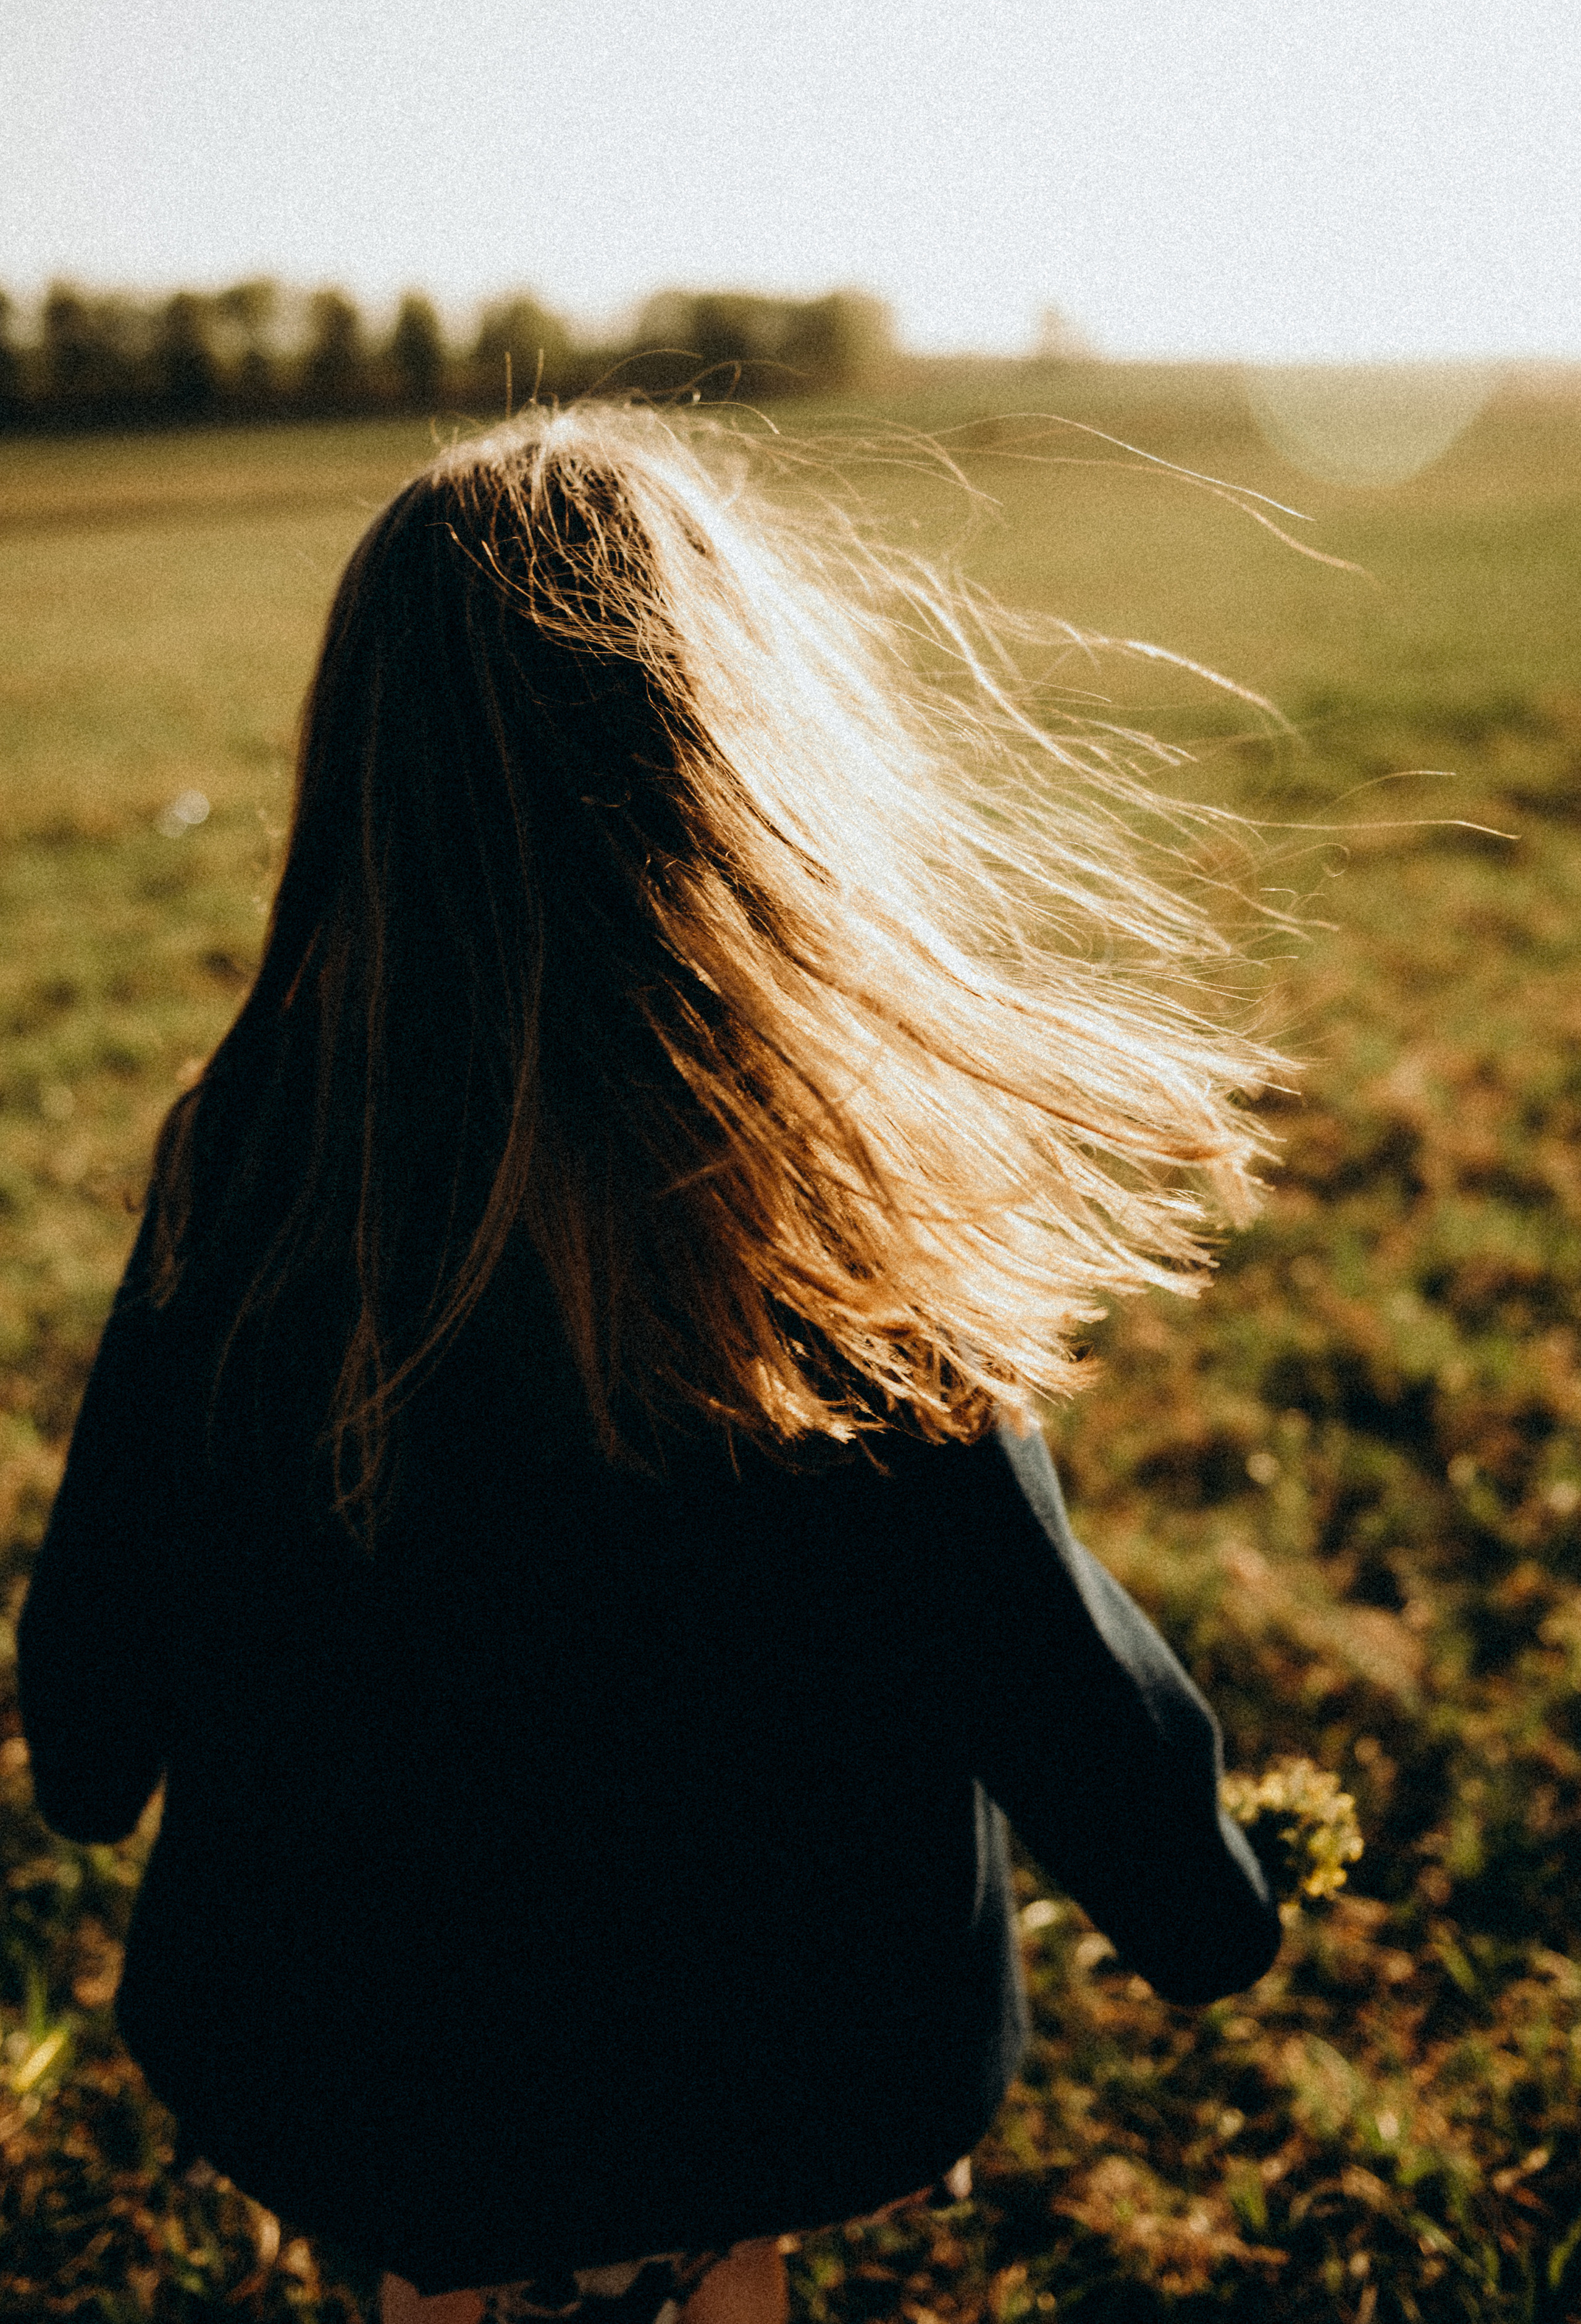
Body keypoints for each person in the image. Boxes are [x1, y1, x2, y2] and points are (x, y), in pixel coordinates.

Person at [17, 406, 1285, 2324]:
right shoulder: (823, 1199)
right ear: (726, 760)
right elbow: (1029, 1639)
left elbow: (94, 1714)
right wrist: (1200, 1894)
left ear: (360, 774)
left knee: (438, 2215)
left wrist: (124, 1760)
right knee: (717, 2205)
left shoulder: (261, 1170)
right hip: (778, 2060)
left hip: (350, 2058)